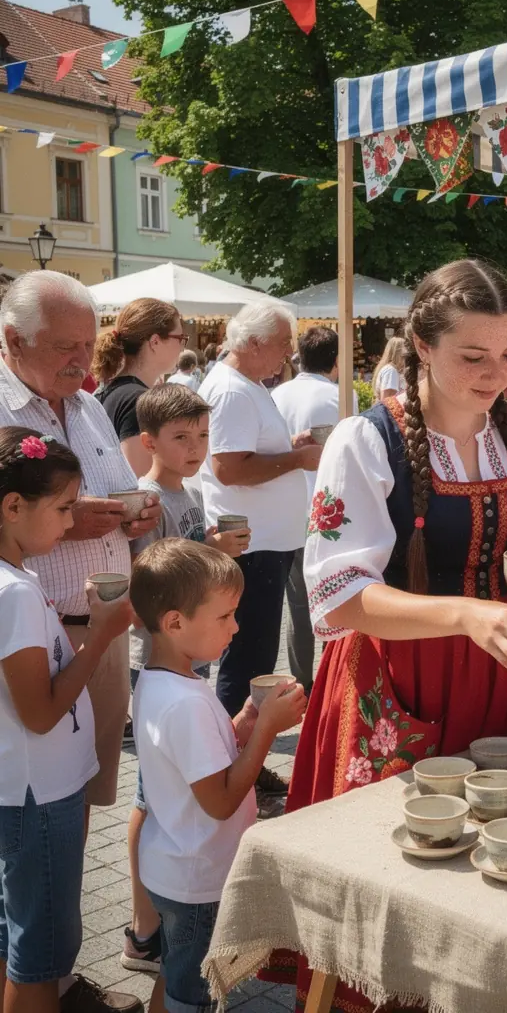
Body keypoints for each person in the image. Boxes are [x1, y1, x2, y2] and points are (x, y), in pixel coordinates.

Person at [266, 261, 507, 1011]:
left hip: (502, 675)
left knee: (499, 873)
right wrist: (469, 612)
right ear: (422, 347)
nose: (496, 372)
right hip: (397, 686)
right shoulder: (362, 441)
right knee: (403, 882)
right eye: (474, 355)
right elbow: (338, 598)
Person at [0, 272, 160, 827]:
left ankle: (64, 901)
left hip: (105, 633)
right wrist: (72, 524)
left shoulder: (89, 405)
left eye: (88, 344)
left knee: (85, 798)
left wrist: (136, 514)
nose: (81, 359)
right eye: (65, 345)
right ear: (14, 340)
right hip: (32, 641)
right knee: (32, 809)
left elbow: (113, 490)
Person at [130, 539, 306, 1013]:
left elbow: (199, 763)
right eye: (224, 617)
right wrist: (267, 730)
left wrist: (243, 723)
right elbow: (220, 801)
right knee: (195, 994)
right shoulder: (186, 702)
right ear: (174, 622)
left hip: (172, 867)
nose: (236, 626)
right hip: (197, 882)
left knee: (175, 975)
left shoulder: (161, 680)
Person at [0, 427, 138, 1013]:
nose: (68, 523)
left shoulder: (17, 581)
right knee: (43, 950)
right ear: (12, 506)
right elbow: (40, 712)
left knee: (18, 931)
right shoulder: (15, 594)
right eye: (61, 509)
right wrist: (100, 635)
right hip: (40, 792)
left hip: (20, 786)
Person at [120, 384, 251, 974]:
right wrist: (207, 549)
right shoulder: (150, 498)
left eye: (202, 435)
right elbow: (158, 576)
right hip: (162, 658)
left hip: (183, 663)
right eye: (181, 438)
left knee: (161, 791)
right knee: (153, 798)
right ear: (149, 442)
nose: (196, 447)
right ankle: (147, 925)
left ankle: (152, 927)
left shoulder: (188, 489)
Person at [197, 299, 320, 803]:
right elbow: (228, 468)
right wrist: (296, 458)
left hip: (263, 543)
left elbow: (242, 457)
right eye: (282, 345)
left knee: (251, 659)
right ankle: (225, 768)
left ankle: (238, 763)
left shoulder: (244, 386)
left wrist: (288, 447)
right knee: (247, 664)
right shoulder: (231, 390)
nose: (288, 355)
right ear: (251, 344)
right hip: (254, 548)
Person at [272, 325, 342, 694]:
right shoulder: (338, 396)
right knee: (335, 598)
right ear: (335, 360)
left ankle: (302, 683)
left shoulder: (276, 395)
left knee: (297, 607)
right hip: (328, 513)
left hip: (286, 512)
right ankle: (335, 679)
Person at [94, 299, 188, 477]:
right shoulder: (137, 400)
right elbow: (140, 487)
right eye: (180, 339)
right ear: (155, 342)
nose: (182, 348)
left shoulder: (112, 390)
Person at [370, 335, 406, 401]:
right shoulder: (391, 371)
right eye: (404, 355)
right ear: (398, 354)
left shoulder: (389, 369)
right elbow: (387, 401)